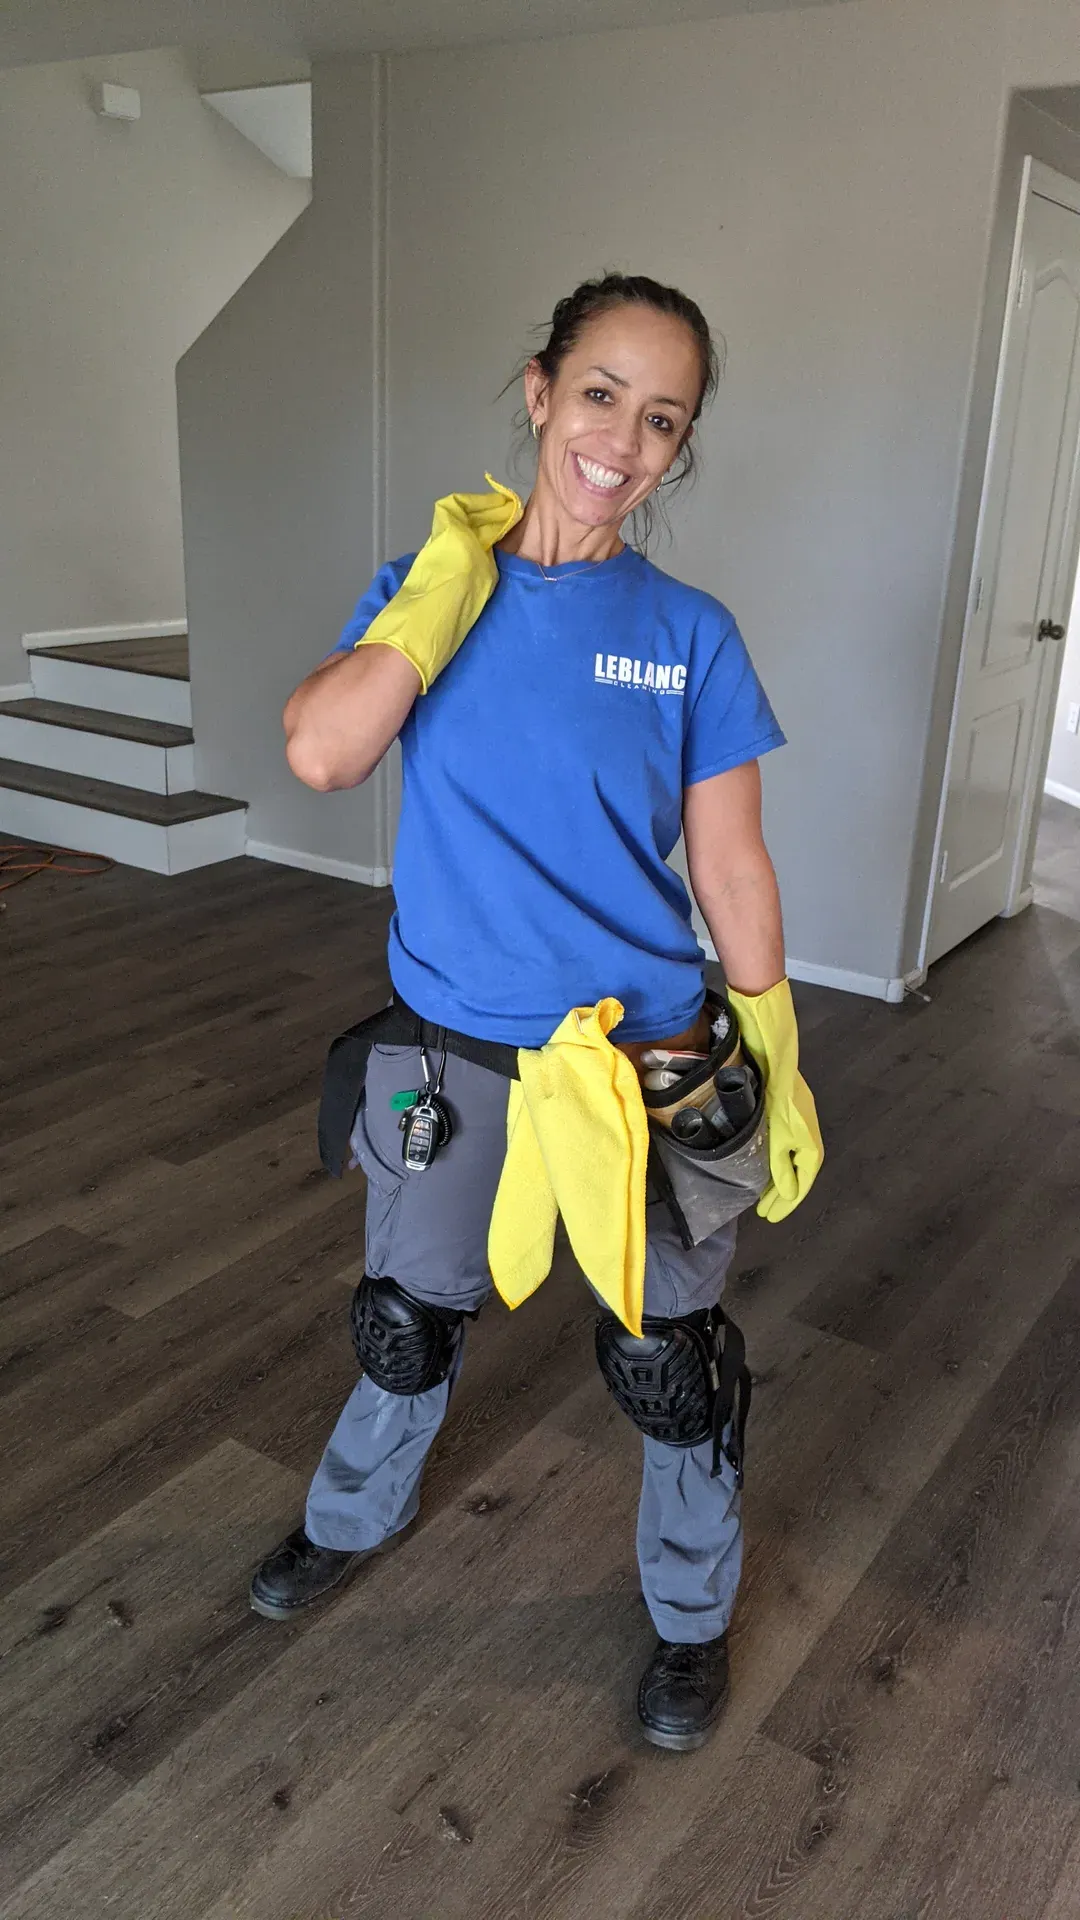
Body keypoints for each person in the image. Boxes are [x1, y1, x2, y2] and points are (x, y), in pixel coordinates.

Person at [251, 274, 822, 1753]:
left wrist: (776, 1042)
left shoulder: (689, 634)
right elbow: (321, 752)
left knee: (669, 1365)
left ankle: (692, 1619)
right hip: (447, 1054)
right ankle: (349, 1519)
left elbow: (733, 861)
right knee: (402, 1323)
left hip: (645, 1060)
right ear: (538, 391)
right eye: (600, 395)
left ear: (677, 451)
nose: (622, 440)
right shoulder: (427, 591)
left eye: (662, 419)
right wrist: (447, 593)